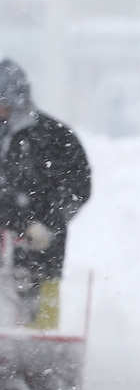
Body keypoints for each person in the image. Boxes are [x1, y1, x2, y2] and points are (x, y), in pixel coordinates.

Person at [0, 58, 91, 329]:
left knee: (40, 313)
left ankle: (41, 355)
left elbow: (78, 187)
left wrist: (49, 224)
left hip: (41, 248)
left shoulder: (54, 138)